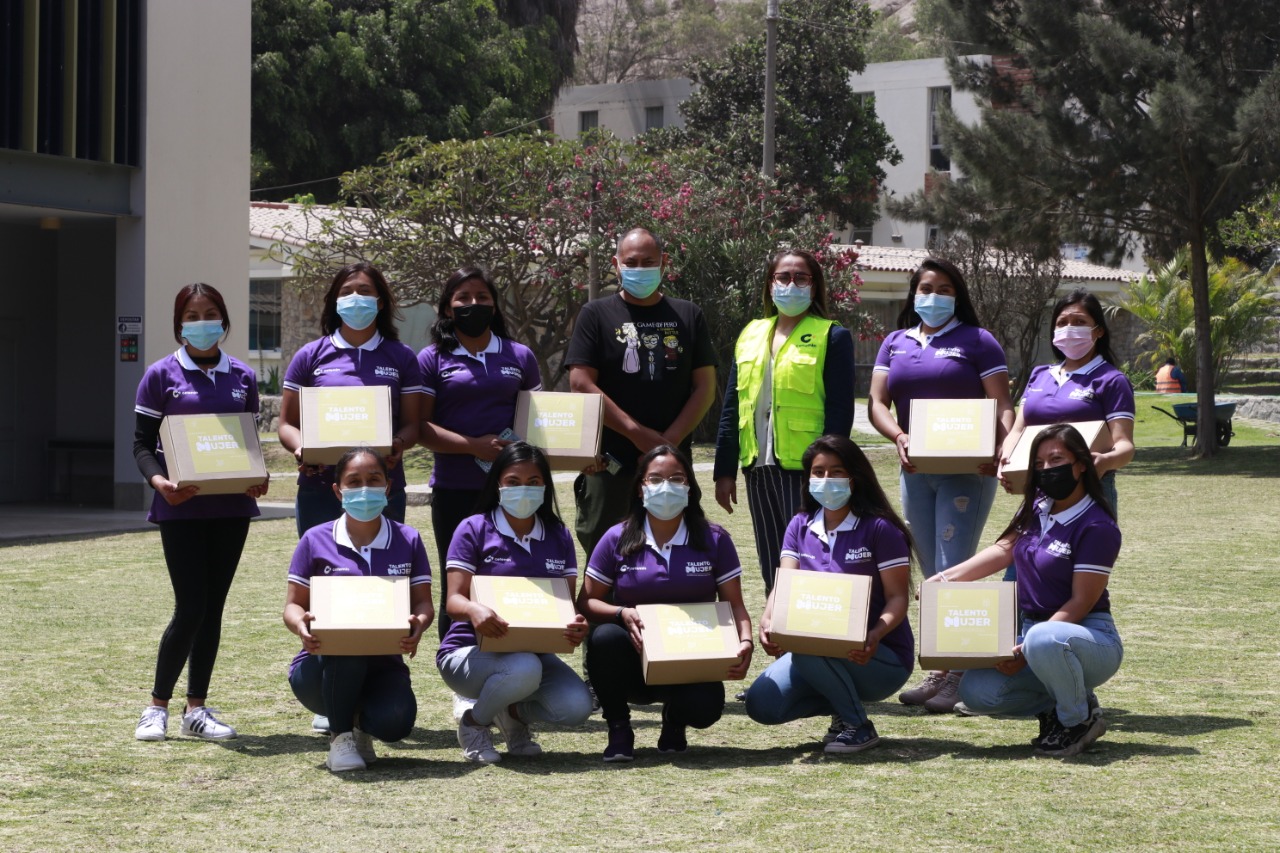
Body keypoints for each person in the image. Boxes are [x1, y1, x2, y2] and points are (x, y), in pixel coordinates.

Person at [867, 257, 1014, 713]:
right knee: (932, 572)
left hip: (967, 472)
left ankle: (960, 674)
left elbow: (1003, 405)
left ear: (958, 295)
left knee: (955, 568)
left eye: (945, 288)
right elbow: (876, 402)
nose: (934, 296)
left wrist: (1002, 451)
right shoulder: (895, 342)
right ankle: (942, 671)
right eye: (926, 287)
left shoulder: (978, 341)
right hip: (916, 472)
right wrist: (899, 436)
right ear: (914, 293)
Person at [926, 424, 1123, 758]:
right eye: (1039, 463)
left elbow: (1081, 601)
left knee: (1043, 639)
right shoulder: (1037, 507)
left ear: (1081, 464)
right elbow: (1004, 550)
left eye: (1057, 459)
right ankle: (1059, 704)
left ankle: (1077, 721)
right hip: (1032, 633)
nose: (1047, 469)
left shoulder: (1098, 525)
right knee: (976, 693)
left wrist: (1027, 648)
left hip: (1087, 636)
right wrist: (944, 580)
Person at [132, 283, 269, 742]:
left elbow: (247, 442)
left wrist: (258, 476)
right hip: (180, 508)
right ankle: (156, 707)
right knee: (190, 606)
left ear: (225, 320)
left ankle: (198, 708)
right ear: (179, 323)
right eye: (193, 314)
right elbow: (141, 444)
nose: (203, 322)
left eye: (211, 313)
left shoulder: (244, 377)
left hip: (231, 508)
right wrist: (159, 483)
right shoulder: (160, 374)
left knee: (213, 609)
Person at [578, 445, 753, 761]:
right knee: (603, 637)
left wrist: (746, 640)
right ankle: (619, 728)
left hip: (691, 660)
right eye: (655, 479)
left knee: (706, 708)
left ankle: (674, 721)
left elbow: (735, 604)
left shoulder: (714, 539)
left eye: (676, 478)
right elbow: (587, 602)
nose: (666, 487)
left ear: (689, 486)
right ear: (641, 487)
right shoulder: (616, 537)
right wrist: (621, 613)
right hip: (633, 658)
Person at [745, 436, 915, 754]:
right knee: (762, 704)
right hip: (817, 649)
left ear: (855, 476)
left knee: (810, 641)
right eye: (818, 472)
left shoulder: (880, 529)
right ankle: (841, 704)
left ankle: (857, 725)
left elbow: (897, 599)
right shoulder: (799, 525)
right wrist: (767, 620)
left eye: (837, 472)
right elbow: (784, 585)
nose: (826, 480)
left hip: (879, 655)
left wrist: (874, 634)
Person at [437, 442, 594, 763]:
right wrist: (473, 609)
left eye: (534, 482)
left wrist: (576, 624)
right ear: (497, 484)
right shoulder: (474, 528)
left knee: (577, 707)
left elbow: (565, 606)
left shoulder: (558, 535)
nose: (523, 489)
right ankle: (474, 722)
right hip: (468, 652)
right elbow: (453, 601)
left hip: (532, 655)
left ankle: (512, 714)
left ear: (546, 486)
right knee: (524, 666)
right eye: (512, 481)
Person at [566, 228, 718, 557]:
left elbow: (705, 387)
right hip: (610, 465)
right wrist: (638, 435)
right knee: (605, 555)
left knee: (677, 550)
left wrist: (666, 443)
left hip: (673, 463)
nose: (639, 268)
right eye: (630, 262)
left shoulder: (689, 315)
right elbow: (580, 383)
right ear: (615, 264)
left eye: (648, 261)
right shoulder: (595, 314)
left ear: (665, 263)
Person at [714, 249, 856, 596]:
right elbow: (733, 404)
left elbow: (840, 410)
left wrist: (830, 470)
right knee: (771, 561)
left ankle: (816, 635)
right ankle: (780, 634)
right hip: (758, 468)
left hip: (806, 470)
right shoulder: (751, 333)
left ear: (814, 285)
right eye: (783, 277)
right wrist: (724, 470)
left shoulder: (831, 335)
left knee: (811, 559)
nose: (791, 285)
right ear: (770, 284)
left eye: (801, 278)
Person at [283, 448, 434, 772]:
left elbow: (423, 602)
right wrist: (302, 625)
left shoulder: (408, 538)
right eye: (354, 481)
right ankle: (340, 738)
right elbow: (293, 605)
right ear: (338, 490)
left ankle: (360, 726)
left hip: (383, 662)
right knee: (347, 643)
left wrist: (418, 624)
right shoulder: (314, 539)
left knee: (396, 722)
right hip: (322, 664)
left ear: (387, 487)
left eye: (373, 479)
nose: (364, 488)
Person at [417, 266, 542, 640]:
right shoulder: (431, 359)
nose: (474, 304)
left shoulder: (520, 355)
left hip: (514, 493)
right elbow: (421, 428)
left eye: (482, 298)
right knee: (458, 580)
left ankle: (517, 653)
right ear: (447, 308)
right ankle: (459, 661)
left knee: (511, 575)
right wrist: (473, 446)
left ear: (495, 304)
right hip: (455, 488)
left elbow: (537, 421)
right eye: (463, 298)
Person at [278, 261, 423, 537]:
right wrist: (301, 449)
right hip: (319, 486)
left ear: (380, 303)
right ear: (334, 302)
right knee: (323, 573)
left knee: (382, 571)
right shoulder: (309, 355)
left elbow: (412, 424)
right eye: (346, 292)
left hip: (383, 487)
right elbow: (286, 424)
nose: (355, 298)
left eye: (365, 291)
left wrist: (398, 443)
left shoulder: (402, 356)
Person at [999, 289, 1135, 512]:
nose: (1069, 328)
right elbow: (1017, 431)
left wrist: (1105, 462)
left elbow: (1125, 446)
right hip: (1040, 489)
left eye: (1079, 322)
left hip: (1090, 490)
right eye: (1062, 323)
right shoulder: (1039, 375)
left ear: (1098, 331)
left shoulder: (1112, 380)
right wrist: (1007, 461)